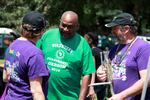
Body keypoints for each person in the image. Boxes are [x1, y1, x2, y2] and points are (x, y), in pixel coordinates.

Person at [36, 11, 96, 100]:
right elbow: (35, 56)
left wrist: (81, 98)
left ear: (77, 26)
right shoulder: (48, 35)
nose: (65, 29)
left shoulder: (83, 44)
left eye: (70, 27)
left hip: (69, 96)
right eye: (63, 25)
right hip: (44, 95)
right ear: (60, 22)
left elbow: (87, 74)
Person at [97, 12, 150, 100]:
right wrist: (100, 71)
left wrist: (122, 96)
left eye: (115, 28)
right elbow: (106, 65)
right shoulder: (115, 49)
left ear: (126, 29)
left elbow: (147, 79)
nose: (112, 31)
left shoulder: (143, 47)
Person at [1, 11, 49, 100]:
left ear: (22, 27)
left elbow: (5, 77)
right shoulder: (35, 53)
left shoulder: (12, 45)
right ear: (41, 31)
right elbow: (36, 91)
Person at [84, 32, 106, 100]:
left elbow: (92, 70)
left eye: (85, 39)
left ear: (90, 41)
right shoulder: (100, 50)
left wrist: (91, 87)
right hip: (102, 82)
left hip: (95, 84)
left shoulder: (92, 51)